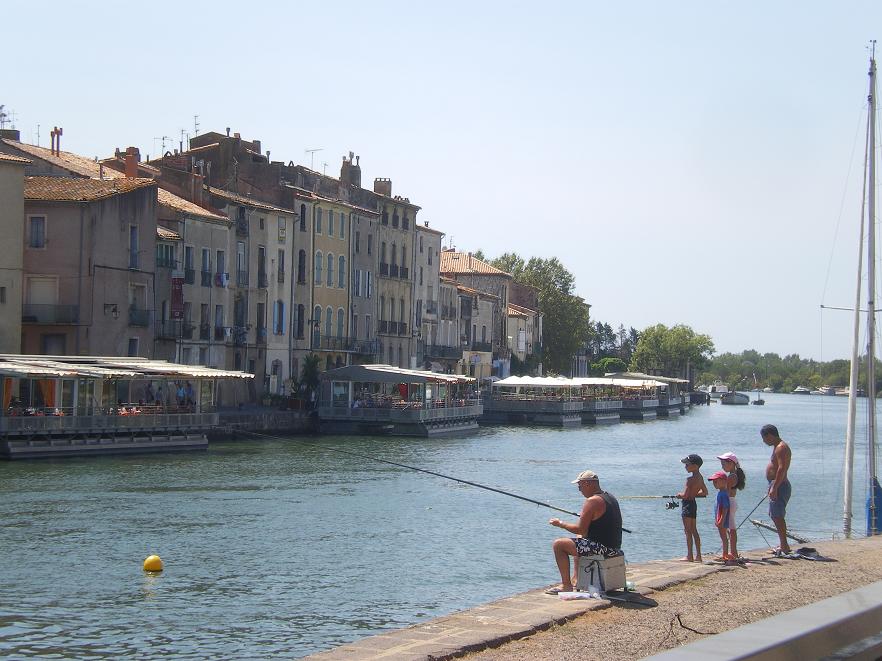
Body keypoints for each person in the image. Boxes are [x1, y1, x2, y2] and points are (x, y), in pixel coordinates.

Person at [547, 470, 623, 594]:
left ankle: (566, 585)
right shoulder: (610, 497)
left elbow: (580, 529)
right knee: (579, 539)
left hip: (604, 550)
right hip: (614, 547)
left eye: (580, 486)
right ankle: (576, 579)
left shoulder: (592, 501)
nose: (579, 490)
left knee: (559, 545)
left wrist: (560, 524)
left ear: (588, 484)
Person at [761, 424, 792, 555]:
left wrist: (774, 487)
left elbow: (781, 469)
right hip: (776, 484)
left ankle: (784, 546)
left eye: (764, 438)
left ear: (770, 435)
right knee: (775, 515)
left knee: (777, 516)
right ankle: (783, 544)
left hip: (780, 485)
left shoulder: (781, 448)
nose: (764, 441)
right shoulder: (777, 447)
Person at [677, 454, 708, 562]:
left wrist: (679, 495)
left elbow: (684, 495)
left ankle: (689, 556)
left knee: (687, 531)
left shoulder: (689, 479)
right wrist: (693, 494)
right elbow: (705, 492)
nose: (685, 466)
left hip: (687, 504)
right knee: (694, 530)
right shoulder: (700, 477)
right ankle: (698, 556)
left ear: (695, 466)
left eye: (687, 464)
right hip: (693, 504)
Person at [717, 452, 746, 562]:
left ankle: (733, 552)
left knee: (731, 528)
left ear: (731, 463)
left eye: (724, 464)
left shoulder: (732, 476)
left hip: (729, 502)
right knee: (730, 527)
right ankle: (732, 551)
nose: (722, 466)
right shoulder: (734, 475)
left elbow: (727, 491)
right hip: (732, 501)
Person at [709, 470, 732, 563]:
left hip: (722, 519)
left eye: (716, 481)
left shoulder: (724, 493)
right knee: (723, 537)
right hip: (719, 518)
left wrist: (721, 520)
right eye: (713, 482)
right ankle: (724, 554)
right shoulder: (720, 492)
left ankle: (725, 554)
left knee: (723, 537)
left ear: (723, 481)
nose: (714, 483)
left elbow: (726, 507)